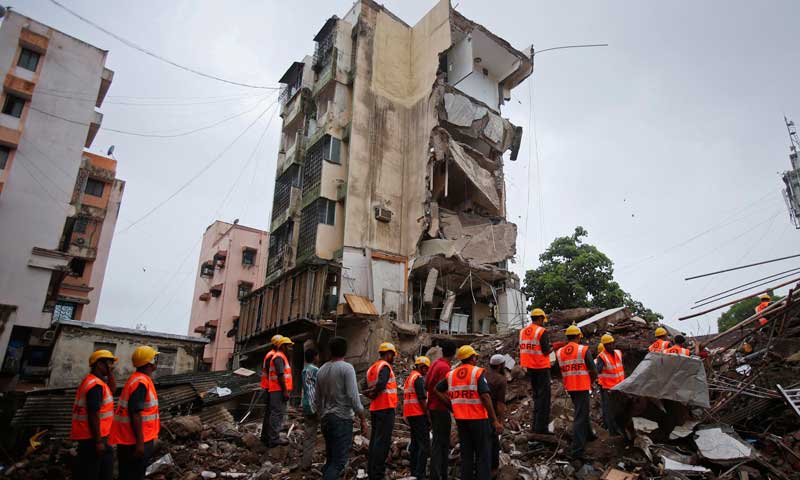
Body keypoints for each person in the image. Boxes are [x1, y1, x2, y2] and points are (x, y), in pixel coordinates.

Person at [435, 345, 503, 480]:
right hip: (478, 419)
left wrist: (451, 405)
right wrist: (495, 420)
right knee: (483, 455)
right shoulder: (476, 372)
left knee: (466, 455)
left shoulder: (451, 374)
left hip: (461, 420)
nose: (476, 359)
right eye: (475, 357)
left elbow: (437, 390)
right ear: (472, 358)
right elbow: (485, 396)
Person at [315, 336, 368, 480]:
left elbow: (317, 401)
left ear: (330, 351)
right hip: (341, 419)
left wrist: (322, 416)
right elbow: (353, 397)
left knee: (331, 460)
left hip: (326, 419)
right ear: (345, 351)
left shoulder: (321, 371)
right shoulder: (347, 368)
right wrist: (362, 419)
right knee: (339, 463)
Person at [110, 346, 160, 480]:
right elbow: (135, 414)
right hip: (134, 441)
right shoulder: (140, 382)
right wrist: (140, 443)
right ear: (149, 363)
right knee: (133, 475)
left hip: (134, 439)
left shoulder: (139, 379)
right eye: (155, 358)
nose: (157, 361)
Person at [70, 349, 117, 480]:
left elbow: (112, 390)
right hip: (92, 439)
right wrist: (98, 442)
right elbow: (93, 414)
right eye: (109, 363)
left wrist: (110, 372)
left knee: (103, 469)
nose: (112, 366)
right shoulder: (95, 385)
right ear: (99, 364)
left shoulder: (98, 382)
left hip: (96, 437)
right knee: (92, 473)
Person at [555, 325, 597, 461]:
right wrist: (591, 381)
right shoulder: (582, 350)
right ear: (579, 336)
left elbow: (558, 370)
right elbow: (593, 370)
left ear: (567, 337)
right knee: (580, 416)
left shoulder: (560, 352)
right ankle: (577, 450)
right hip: (582, 386)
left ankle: (589, 435)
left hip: (570, 387)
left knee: (582, 411)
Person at [365, 342, 399, 480]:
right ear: (388, 353)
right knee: (382, 442)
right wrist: (374, 393)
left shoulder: (371, 368)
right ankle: (378, 474)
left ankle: (372, 472)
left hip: (375, 408)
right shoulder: (384, 366)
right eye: (393, 355)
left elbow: (363, 385)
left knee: (375, 441)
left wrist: (370, 394)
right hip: (385, 407)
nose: (394, 358)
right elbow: (381, 384)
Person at [519, 308, 552, 435]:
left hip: (530, 368)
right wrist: (553, 347)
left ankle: (535, 426)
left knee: (537, 397)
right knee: (544, 399)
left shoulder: (523, 332)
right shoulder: (541, 331)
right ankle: (541, 429)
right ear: (540, 318)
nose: (543, 322)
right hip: (541, 367)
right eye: (543, 320)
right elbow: (545, 351)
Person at [426, 340, 455, 480]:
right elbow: (441, 390)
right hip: (440, 408)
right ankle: (437, 474)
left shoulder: (436, 364)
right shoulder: (445, 368)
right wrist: (452, 406)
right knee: (440, 443)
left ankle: (442, 473)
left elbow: (427, 385)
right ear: (454, 354)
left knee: (440, 442)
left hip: (432, 407)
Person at [403, 356, 431, 480]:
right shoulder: (418, 379)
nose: (426, 371)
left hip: (411, 414)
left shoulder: (410, 377)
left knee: (415, 444)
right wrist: (428, 416)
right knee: (424, 445)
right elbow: (422, 399)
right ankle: (420, 474)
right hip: (419, 414)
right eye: (425, 368)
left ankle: (414, 472)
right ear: (421, 367)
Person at [595, 334, 624, 436]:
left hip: (619, 386)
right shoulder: (602, 357)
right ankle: (612, 431)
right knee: (609, 411)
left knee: (618, 410)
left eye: (611, 344)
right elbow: (597, 371)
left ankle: (618, 429)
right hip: (608, 388)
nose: (610, 346)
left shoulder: (618, 353)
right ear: (604, 345)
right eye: (608, 344)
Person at [267, 336, 294, 447]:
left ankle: (274, 436)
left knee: (278, 413)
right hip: (278, 390)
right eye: (288, 346)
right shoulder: (279, 357)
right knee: (277, 413)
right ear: (282, 346)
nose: (290, 348)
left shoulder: (281, 357)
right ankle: (274, 438)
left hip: (278, 389)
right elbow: (281, 376)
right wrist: (285, 391)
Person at [486, 354, 508, 478]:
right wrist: (499, 421)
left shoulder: (483, 375)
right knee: (493, 442)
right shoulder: (500, 379)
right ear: (500, 365)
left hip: (479, 413)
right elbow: (500, 403)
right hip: (492, 414)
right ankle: (492, 469)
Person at [260, 334, 284, 444]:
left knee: (269, 413)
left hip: (268, 387)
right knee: (274, 413)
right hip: (272, 388)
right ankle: (272, 438)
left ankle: (266, 437)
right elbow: (278, 374)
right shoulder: (274, 356)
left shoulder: (270, 354)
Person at [301, 347, 320, 471]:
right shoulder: (316, 370)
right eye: (317, 356)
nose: (319, 358)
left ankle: (305, 462)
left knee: (309, 435)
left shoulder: (304, 370)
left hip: (306, 404)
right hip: (316, 405)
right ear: (314, 357)